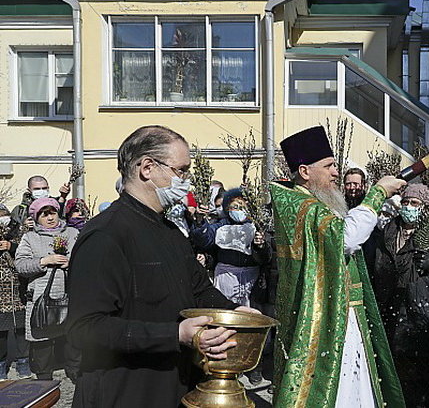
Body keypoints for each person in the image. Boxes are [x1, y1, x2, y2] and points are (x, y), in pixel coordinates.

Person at [66, 125, 254, 407]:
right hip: (125, 390)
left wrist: (236, 313)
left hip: (174, 385)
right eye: (181, 170)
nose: (187, 181)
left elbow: (199, 289)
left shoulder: (171, 232)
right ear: (147, 168)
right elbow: (86, 328)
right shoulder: (106, 234)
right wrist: (175, 334)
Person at [271, 125, 406, 408]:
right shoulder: (304, 206)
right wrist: (378, 193)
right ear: (305, 171)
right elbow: (346, 237)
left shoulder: (312, 202)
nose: (336, 173)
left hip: (344, 311)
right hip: (326, 318)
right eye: (330, 166)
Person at [370, 183, 429, 408]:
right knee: (391, 377)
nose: (408, 207)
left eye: (415, 203)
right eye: (405, 202)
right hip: (389, 311)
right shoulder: (387, 232)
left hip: (420, 315)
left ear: (426, 209)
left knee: (419, 383)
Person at [14, 198, 78, 379]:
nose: (50, 217)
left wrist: (72, 264)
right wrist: (44, 261)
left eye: (53, 212)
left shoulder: (73, 233)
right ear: (36, 217)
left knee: (72, 348)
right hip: (43, 302)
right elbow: (21, 265)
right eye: (44, 214)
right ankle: (44, 389)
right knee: (43, 352)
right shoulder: (30, 237)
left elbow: (88, 260)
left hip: (70, 297)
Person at [191, 187, 271, 307]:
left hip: (251, 280)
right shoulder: (221, 226)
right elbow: (205, 238)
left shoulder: (257, 226)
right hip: (225, 277)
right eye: (234, 207)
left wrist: (260, 246)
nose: (238, 210)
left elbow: (265, 257)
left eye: (241, 206)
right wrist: (200, 222)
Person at [0, 204, 31, 379]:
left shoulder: (19, 230)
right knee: (1, 332)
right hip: (1, 292)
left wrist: (11, 246)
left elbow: (25, 249)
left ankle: (23, 363)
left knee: (21, 329)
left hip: (19, 287)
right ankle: (1, 366)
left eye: (4, 215)